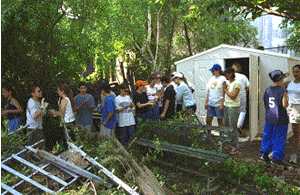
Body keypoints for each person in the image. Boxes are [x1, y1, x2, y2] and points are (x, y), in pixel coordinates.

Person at [260, 70, 289, 165]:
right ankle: (276, 157)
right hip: (280, 118)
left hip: (270, 117)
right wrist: (285, 93)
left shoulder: (268, 89)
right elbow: (285, 105)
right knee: (279, 137)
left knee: (267, 135)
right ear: (280, 79)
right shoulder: (282, 90)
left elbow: (265, 103)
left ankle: (264, 154)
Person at [223, 68, 241, 155]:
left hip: (233, 107)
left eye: (226, 74)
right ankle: (229, 144)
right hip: (226, 106)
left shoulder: (237, 83)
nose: (225, 76)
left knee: (233, 127)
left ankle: (235, 147)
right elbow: (226, 95)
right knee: (226, 126)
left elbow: (233, 96)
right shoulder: (227, 83)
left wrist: (225, 89)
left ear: (231, 74)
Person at [205, 64, 226, 128]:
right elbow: (208, 91)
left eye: (213, 70)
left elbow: (224, 91)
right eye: (212, 71)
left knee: (220, 120)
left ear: (218, 70)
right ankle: (209, 134)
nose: (212, 72)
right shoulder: (211, 79)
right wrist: (206, 102)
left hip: (218, 103)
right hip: (210, 103)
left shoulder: (223, 78)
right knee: (208, 120)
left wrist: (222, 103)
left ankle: (221, 135)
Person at [287, 64, 300, 163]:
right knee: (296, 132)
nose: (295, 74)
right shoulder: (289, 83)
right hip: (291, 108)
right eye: (294, 71)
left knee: (296, 133)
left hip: (298, 108)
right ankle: (295, 154)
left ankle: (295, 155)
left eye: (297, 71)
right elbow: (277, 82)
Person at [232, 63, 250, 130]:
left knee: (233, 111)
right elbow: (248, 87)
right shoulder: (243, 76)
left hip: (232, 96)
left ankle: (233, 127)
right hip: (242, 96)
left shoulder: (230, 76)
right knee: (242, 111)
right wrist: (245, 91)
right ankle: (238, 127)